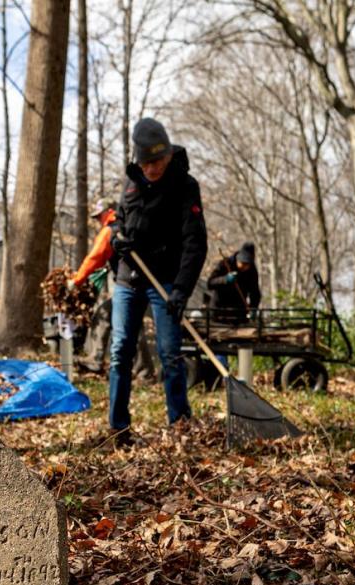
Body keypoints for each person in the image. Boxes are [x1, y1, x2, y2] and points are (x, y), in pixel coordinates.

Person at [107, 117, 207, 444]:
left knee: (170, 354)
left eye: (158, 161)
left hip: (164, 280)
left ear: (168, 154)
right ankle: (118, 428)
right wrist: (116, 241)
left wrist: (181, 290)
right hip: (127, 279)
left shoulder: (184, 185)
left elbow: (195, 243)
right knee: (121, 350)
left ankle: (179, 425)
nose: (152, 168)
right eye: (146, 162)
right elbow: (118, 223)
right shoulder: (131, 183)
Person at [72, 201, 118, 372]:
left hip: (129, 285)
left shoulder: (110, 230)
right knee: (133, 327)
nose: (99, 220)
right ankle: (144, 372)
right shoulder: (126, 226)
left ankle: (95, 360)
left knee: (103, 314)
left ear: (109, 211)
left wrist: (76, 280)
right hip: (139, 284)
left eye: (100, 216)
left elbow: (94, 257)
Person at [206, 241, 262, 324]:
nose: (244, 266)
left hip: (238, 314)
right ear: (237, 259)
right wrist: (225, 279)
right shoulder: (225, 264)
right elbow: (210, 284)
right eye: (242, 263)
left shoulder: (252, 271)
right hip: (219, 312)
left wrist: (253, 308)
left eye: (247, 264)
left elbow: (255, 293)